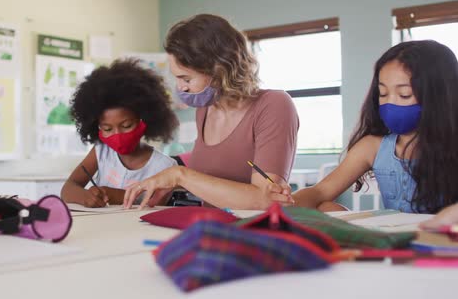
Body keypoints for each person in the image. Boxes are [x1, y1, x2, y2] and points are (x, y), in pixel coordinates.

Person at [123, 14, 299, 210]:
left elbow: (267, 200)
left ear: (219, 70)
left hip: (249, 234)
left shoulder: (274, 105)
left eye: (186, 79)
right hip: (210, 230)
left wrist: (180, 175)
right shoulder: (205, 110)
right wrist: (171, 185)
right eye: (178, 79)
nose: (180, 88)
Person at [294, 40, 458, 213]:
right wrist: (285, 203)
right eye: (383, 93)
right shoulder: (373, 147)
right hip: (395, 237)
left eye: (404, 94)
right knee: (326, 207)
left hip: (443, 237)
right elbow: (321, 191)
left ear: (439, 96)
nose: (390, 103)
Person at [61, 59, 179, 207]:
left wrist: (116, 195)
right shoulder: (101, 151)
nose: (117, 135)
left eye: (126, 125)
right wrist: (85, 196)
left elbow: (153, 206)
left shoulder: (164, 166)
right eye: (107, 129)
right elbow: (68, 188)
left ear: (144, 119)